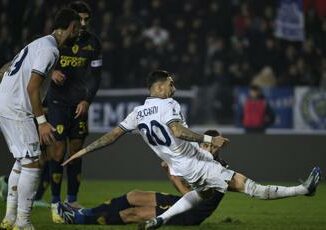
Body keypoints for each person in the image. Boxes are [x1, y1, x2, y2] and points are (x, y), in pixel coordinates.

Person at [62, 70, 321, 230]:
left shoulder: (136, 113)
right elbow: (177, 131)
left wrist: (82, 152)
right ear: (160, 87)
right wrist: (207, 138)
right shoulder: (169, 104)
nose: (173, 87)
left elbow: (110, 137)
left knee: (196, 195)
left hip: (187, 168)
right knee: (252, 188)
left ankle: (158, 221)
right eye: (170, 83)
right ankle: (303, 189)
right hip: (198, 166)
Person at [0, 8, 80, 230]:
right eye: (78, 28)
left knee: (22, 162)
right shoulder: (50, 50)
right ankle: (23, 222)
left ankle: (9, 219)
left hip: (6, 104)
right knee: (34, 163)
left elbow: (5, 69)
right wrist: (42, 122)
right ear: (72, 27)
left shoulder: (39, 43)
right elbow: (33, 87)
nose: (79, 33)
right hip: (17, 109)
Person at [57, 130, 225, 226]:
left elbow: (191, 197)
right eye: (205, 145)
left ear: (218, 148)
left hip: (190, 214)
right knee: (134, 195)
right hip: (183, 203)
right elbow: (185, 191)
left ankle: (80, 219)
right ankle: (87, 211)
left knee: (133, 213)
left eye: (212, 146)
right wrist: (169, 172)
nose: (208, 149)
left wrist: (173, 177)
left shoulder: (219, 172)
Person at [46, 1, 102, 223]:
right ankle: (54, 201)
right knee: (57, 151)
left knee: (77, 151)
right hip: (58, 102)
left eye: (87, 19)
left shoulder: (93, 43)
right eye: (80, 19)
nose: (83, 23)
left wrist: (87, 100)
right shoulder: (56, 41)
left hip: (79, 104)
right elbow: (38, 63)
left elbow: (96, 76)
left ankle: (72, 199)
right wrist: (51, 73)